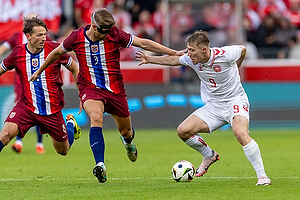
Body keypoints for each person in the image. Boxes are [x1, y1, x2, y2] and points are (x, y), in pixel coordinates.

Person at [30, 8, 183, 183]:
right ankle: (100, 165)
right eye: (104, 31)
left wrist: (173, 52)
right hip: (90, 88)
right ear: (94, 27)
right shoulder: (76, 37)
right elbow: (56, 53)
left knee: (126, 131)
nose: (107, 35)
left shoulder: (115, 34)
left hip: (116, 90)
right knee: (96, 118)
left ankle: (128, 143)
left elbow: (143, 43)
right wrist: (39, 72)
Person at [135, 30, 271, 186]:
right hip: (214, 106)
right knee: (183, 131)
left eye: (192, 50)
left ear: (204, 50)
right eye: (188, 49)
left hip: (235, 101)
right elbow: (174, 60)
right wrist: (149, 59)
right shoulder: (192, 59)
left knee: (240, 133)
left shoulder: (225, 54)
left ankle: (262, 177)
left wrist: (236, 67)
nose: (189, 53)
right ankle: (209, 155)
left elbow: (243, 49)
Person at [0, 16, 81, 157]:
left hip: (52, 110)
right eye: (39, 35)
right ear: (28, 36)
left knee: (63, 150)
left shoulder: (55, 50)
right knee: (5, 135)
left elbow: (75, 69)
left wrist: (82, 94)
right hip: (26, 107)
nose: (44, 38)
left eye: (45, 34)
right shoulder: (17, 53)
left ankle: (70, 124)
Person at [0, 14, 54, 154]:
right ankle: (18, 142)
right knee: (22, 107)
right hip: (21, 81)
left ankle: (39, 143)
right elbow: (4, 48)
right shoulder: (16, 36)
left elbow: (57, 50)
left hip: (40, 81)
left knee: (39, 109)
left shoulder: (42, 37)